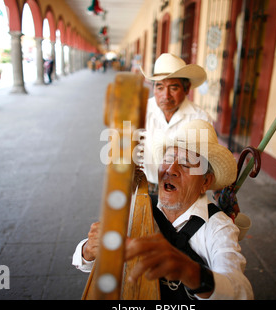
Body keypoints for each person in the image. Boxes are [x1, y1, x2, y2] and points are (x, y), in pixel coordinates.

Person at [73, 120, 254, 300]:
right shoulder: (139, 205)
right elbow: (85, 260)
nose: (171, 169)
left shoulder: (219, 228)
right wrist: (88, 250)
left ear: (205, 182)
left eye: (186, 164)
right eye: (167, 160)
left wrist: (189, 271)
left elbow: (240, 290)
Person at [139, 53, 213, 191]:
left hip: (182, 191)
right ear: (153, 88)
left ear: (186, 88)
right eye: (160, 87)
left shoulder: (201, 119)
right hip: (144, 186)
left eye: (173, 88)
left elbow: (205, 164)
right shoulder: (140, 111)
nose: (165, 96)